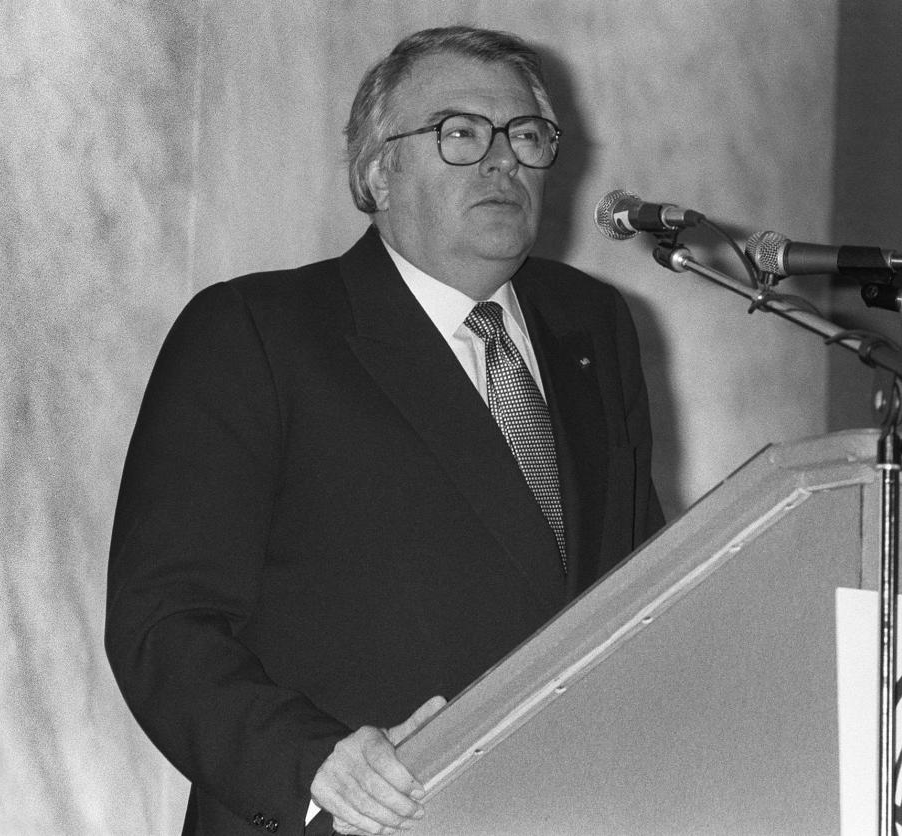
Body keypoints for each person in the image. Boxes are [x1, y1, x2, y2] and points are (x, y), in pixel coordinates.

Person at [105, 25, 663, 836]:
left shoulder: (594, 328)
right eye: (460, 133)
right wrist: (313, 761)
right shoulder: (258, 333)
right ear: (377, 172)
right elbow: (163, 621)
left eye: (527, 135)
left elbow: (636, 585)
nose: (502, 160)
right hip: (351, 817)